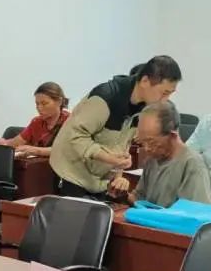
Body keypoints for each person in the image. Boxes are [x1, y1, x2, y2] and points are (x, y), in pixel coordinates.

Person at [49, 55, 182, 197]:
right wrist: (109, 158)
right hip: (71, 173)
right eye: (164, 93)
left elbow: (122, 144)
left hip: (97, 180)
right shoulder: (105, 98)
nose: (165, 100)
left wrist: (119, 170)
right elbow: (75, 136)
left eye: (170, 94)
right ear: (145, 81)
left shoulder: (143, 107)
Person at [109, 102, 211, 206]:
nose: (147, 148)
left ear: (172, 135)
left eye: (151, 142)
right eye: (142, 142)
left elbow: (197, 212)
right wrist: (122, 195)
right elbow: (139, 200)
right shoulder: (153, 159)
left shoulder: (193, 165)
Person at [0, 82, 69, 158]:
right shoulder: (36, 122)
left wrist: (35, 150)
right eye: (37, 104)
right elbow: (16, 142)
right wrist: (4, 143)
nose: (39, 108)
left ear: (59, 102)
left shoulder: (70, 122)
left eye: (44, 103)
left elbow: (66, 150)